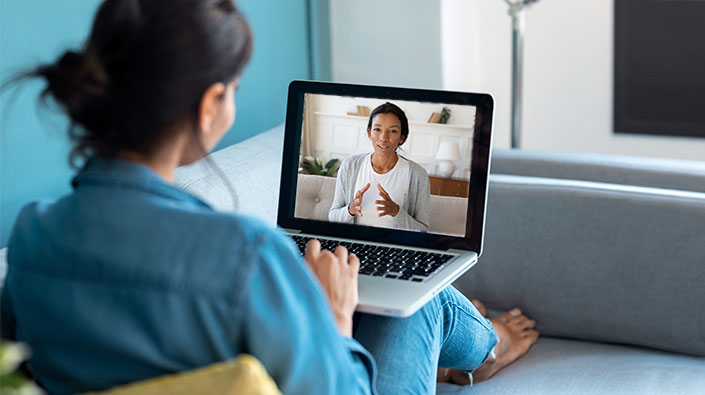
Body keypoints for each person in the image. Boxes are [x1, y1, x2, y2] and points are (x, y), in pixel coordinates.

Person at [0, 0, 538, 394]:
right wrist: (333, 321)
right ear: (210, 105)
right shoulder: (245, 255)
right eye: (233, 87)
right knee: (413, 307)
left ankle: (478, 342)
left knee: (391, 284)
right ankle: (487, 347)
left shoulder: (31, 236)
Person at [329, 102, 431, 231]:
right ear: (369, 133)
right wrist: (350, 209)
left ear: (402, 137)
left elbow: (423, 231)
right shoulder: (350, 165)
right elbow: (333, 217)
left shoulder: (417, 174)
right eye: (377, 129)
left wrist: (396, 212)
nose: (384, 138)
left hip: (394, 247)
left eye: (393, 131)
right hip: (355, 243)